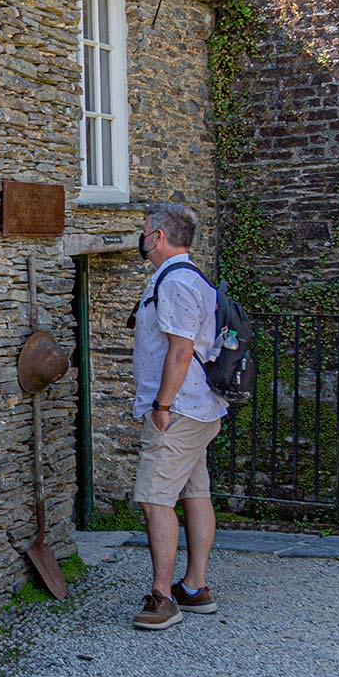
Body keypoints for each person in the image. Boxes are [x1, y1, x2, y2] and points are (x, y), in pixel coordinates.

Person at [126, 202, 228, 631]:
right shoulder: (191, 279)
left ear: (161, 237)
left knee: (154, 499)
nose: (142, 237)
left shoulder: (175, 282)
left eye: (145, 230)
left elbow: (181, 350)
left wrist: (162, 406)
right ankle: (195, 586)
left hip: (179, 411)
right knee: (195, 492)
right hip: (199, 408)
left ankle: (163, 596)